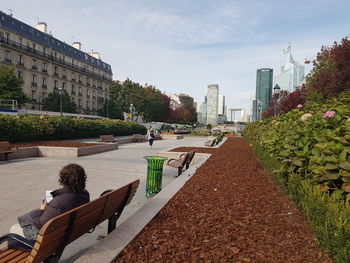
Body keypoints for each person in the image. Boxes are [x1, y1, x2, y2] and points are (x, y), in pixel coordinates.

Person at [0, 163, 90, 251]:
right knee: (16, 235)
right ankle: (8, 246)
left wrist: (43, 209)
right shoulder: (84, 194)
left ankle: (10, 246)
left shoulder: (58, 203)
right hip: (70, 231)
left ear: (63, 179)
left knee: (14, 228)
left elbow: (39, 224)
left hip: (52, 239)